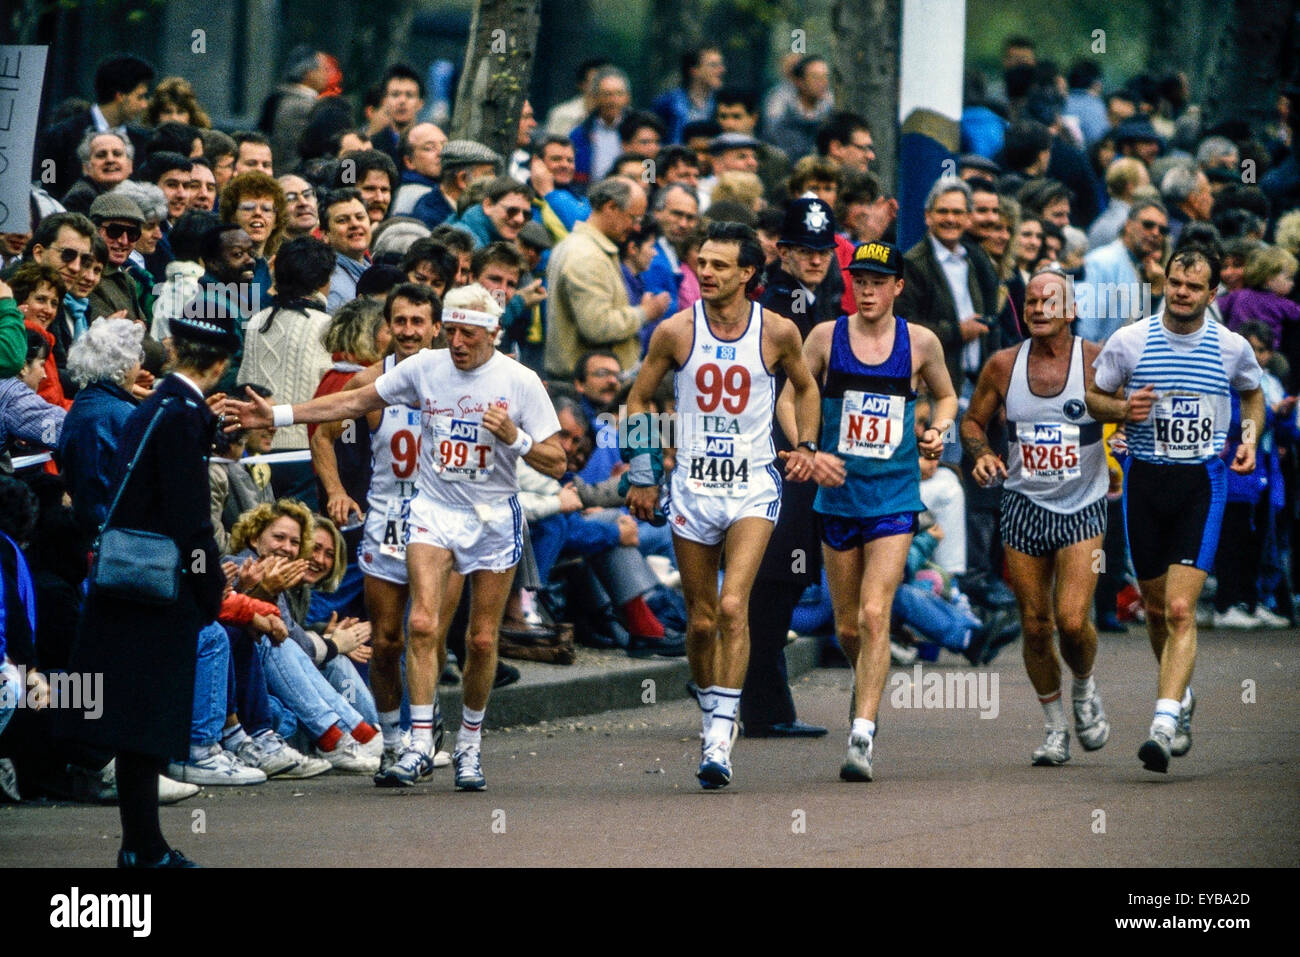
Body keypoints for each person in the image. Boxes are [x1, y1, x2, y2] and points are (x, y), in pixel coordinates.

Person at [228, 283, 566, 792]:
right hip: (430, 512)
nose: (455, 342)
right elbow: (353, 399)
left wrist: (513, 438)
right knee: (420, 626)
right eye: (450, 331)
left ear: (492, 332)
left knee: (479, 639)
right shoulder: (425, 367)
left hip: (492, 516)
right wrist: (276, 415)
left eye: (466, 333)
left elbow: (557, 460)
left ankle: (471, 748)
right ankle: (413, 745)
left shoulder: (519, 381)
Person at [624, 220, 821, 788]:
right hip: (692, 484)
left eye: (717, 265)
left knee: (735, 607)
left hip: (753, 483)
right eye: (700, 263)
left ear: (747, 274)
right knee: (703, 618)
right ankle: (710, 701)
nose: (704, 273)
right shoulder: (674, 331)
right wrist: (642, 471)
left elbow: (805, 386)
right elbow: (639, 397)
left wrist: (805, 445)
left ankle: (719, 733)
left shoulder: (779, 331)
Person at [58, 294, 238, 868]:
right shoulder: (184, 417)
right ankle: (143, 850)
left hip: (129, 577)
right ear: (221, 364)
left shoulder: (152, 403)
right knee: (148, 720)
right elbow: (192, 523)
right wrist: (210, 589)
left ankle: (143, 845)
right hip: (159, 588)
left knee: (135, 720)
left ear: (177, 349)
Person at [1086, 245, 1264, 773]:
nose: (1182, 293)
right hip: (1145, 480)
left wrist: (1248, 439)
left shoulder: (1230, 347)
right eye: (1175, 282)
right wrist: (1122, 409)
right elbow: (1095, 395)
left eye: (1193, 286)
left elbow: (1251, 394)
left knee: (1183, 610)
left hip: (1200, 481)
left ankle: (1164, 721)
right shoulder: (1130, 340)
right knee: (1158, 611)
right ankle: (1180, 696)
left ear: (1213, 294)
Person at [797, 240, 957, 781]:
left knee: (873, 612)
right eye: (858, 281)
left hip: (894, 495)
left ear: (897, 287)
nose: (866, 290)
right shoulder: (825, 337)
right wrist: (807, 446)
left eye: (876, 282)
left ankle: (862, 732)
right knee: (847, 627)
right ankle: (865, 680)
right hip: (839, 495)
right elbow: (792, 390)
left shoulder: (920, 343)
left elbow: (948, 396)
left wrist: (937, 428)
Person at [962, 269, 1112, 765]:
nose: (1039, 309)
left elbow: (1130, 409)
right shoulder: (1003, 365)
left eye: (1051, 301)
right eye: (1031, 303)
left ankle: (1085, 689)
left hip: (1082, 505)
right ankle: (1053, 728)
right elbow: (972, 421)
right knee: (1034, 624)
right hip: (1023, 504)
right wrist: (981, 452)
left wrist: (1124, 444)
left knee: (1071, 621)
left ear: (1071, 311)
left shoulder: (1097, 361)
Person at [310, 283, 451, 784]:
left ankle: (423, 737)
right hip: (388, 524)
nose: (410, 331)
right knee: (388, 640)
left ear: (436, 327)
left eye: (419, 321)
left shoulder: (458, 378)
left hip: (443, 524)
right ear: (387, 328)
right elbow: (322, 433)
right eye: (400, 322)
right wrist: (335, 491)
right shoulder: (375, 381)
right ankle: (393, 742)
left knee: (428, 633)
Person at [545, 177, 669, 379]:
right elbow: (598, 327)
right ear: (611, 207)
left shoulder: (588, 249)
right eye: (634, 218)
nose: (637, 228)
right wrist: (645, 312)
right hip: (586, 388)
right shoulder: (587, 256)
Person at [58, 317, 143, 537]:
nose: (140, 365)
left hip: (91, 527)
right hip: (115, 534)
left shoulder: (84, 403)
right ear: (123, 366)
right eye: (137, 358)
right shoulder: (120, 414)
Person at [1075, 199, 1168, 343]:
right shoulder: (1102, 261)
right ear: (1128, 225)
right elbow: (1086, 329)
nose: (1156, 233)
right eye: (1148, 225)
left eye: (1163, 230)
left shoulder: (1144, 269)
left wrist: (1155, 293)